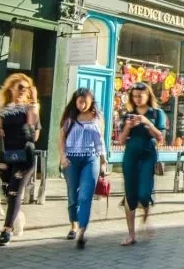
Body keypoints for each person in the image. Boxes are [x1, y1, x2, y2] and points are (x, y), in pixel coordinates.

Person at [0, 73, 40, 246]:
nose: (22, 91)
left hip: (24, 156)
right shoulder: (3, 110)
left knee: (14, 192)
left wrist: (34, 101)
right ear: (11, 88)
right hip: (5, 155)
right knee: (8, 193)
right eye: (19, 87)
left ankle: (6, 230)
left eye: (26, 88)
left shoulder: (30, 108)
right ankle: (17, 217)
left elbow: (34, 133)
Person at [118, 82, 166, 246]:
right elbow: (121, 140)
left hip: (148, 154)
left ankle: (146, 216)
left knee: (144, 193)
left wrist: (147, 123)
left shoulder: (157, 113)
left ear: (148, 95)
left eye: (140, 96)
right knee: (130, 194)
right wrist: (127, 127)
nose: (137, 99)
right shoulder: (128, 115)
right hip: (131, 155)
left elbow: (160, 137)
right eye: (134, 96)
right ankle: (131, 234)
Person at [59, 88, 107, 249]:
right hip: (71, 159)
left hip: (90, 158)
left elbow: (101, 140)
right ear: (75, 101)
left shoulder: (98, 117)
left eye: (86, 101)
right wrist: (62, 157)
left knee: (85, 196)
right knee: (73, 194)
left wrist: (103, 160)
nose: (83, 104)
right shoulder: (70, 117)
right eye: (80, 101)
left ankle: (82, 231)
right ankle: (73, 223)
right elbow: (61, 139)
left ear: (91, 100)